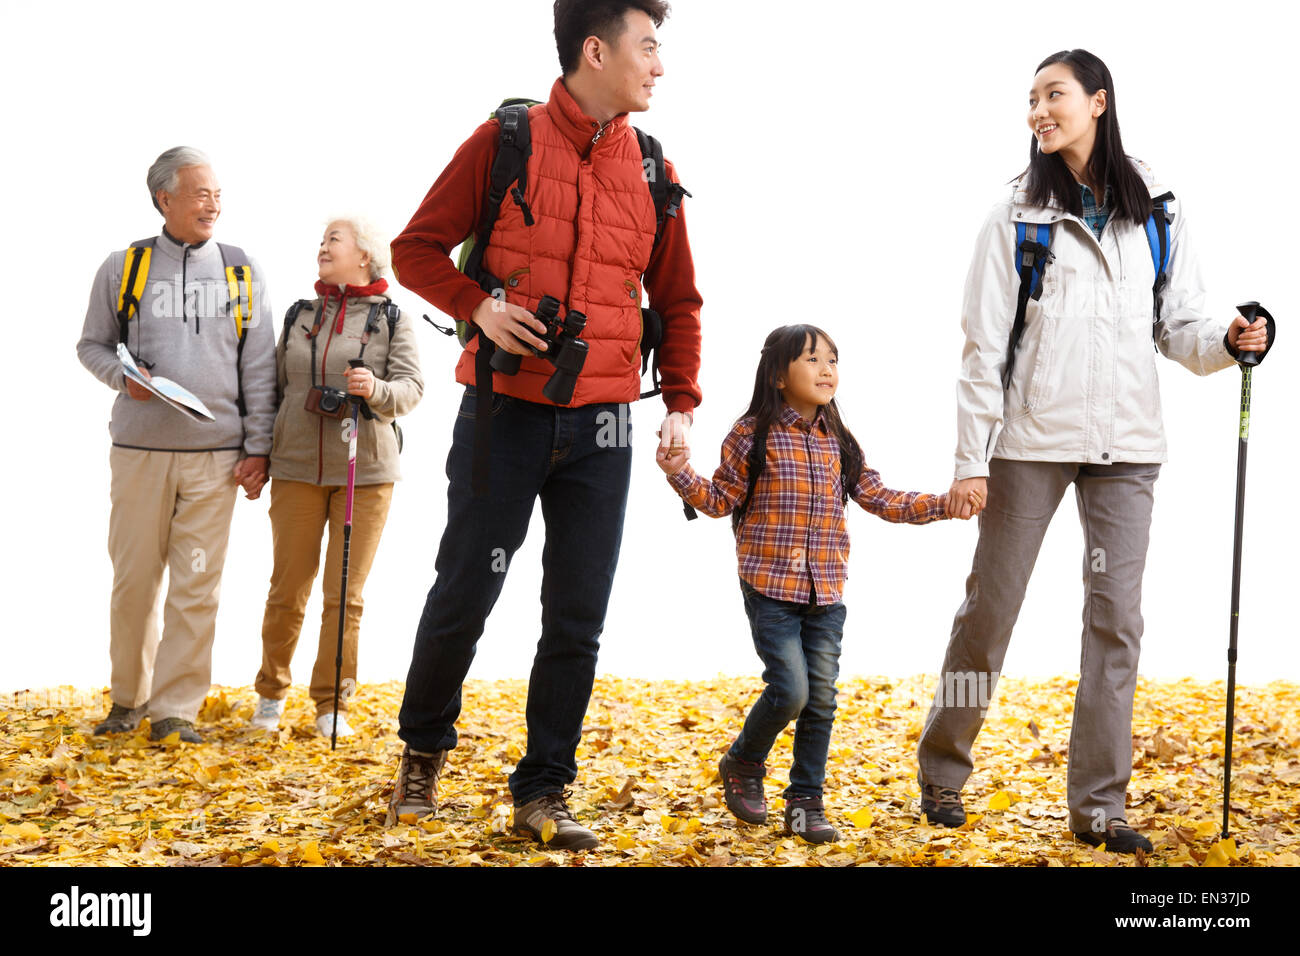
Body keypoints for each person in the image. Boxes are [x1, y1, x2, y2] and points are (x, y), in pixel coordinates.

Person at [915, 50, 1273, 854]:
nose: (1039, 110)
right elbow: (982, 351)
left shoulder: (1160, 210)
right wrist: (972, 460)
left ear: (1099, 102)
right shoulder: (1014, 217)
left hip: (1128, 444)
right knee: (991, 610)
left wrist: (1228, 338)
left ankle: (1100, 808)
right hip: (1032, 441)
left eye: (1055, 95)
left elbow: (1179, 327)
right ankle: (942, 768)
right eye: (1031, 99)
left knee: (1117, 622)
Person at [386, 0, 702, 850]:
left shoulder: (654, 168)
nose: (660, 65)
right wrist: (478, 307)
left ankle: (544, 788)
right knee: (467, 587)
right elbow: (413, 247)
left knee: (577, 614)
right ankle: (423, 749)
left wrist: (679, 402)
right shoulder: (506, 142)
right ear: (595, 50)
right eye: (649, 47)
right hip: (503, 414)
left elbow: (677, 300)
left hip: (603, 425)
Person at [657, 325, 957, 844]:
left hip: (827, 594)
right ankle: (744, 761)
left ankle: (805, 801)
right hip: (771, 588)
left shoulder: (838, 439)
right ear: (778, 374)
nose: (826, 370)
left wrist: (943, 504)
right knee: (790, 691)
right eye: (812, 359)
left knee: (820, 700)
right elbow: (719, 500)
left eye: (833, 361)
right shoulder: (751, 433)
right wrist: (680, 472)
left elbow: (879, 497)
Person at [76, 146, 277, 744]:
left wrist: (258, 448)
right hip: (139, 455)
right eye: (198, 192)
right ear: (164, 198)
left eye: (216, 192)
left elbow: (260, 368)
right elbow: (92, 345)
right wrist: (123, 380)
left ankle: (175, 710)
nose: (212, 203)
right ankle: (128, 700)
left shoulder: (243, 270)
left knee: (196, 585)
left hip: (216, 460)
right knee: (134, 583)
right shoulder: (124, 267)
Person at [249, 217, 423, 739]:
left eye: (333, 240)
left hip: (364, 475)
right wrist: (258, 454)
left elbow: (412, 389)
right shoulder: (300, 315)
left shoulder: (393, 318)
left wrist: (376, 389)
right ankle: (269, 695)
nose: (321, 247)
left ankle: (331, 703)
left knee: (344, 594)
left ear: (364, 256)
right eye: (322, 239)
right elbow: (271, 389)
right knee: (287, 588)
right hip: (296, 469)